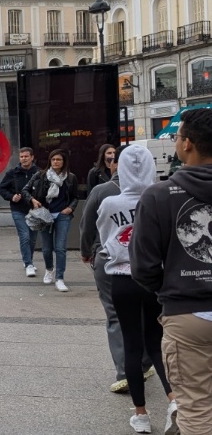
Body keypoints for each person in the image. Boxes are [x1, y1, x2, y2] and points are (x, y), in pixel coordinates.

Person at [132, 107, 212, 435]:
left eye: (179, 136)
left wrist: (170, 291)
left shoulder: (160, 195)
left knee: (197, 405)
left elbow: (143, 266)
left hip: (188, 313)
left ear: (187, 144)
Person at [94, 144, 177, 435]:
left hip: (122, 278)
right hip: (155, 278)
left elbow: (105, 238)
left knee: (131, 344)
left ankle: (141, 415)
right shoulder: (162, 199)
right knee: (157, 343)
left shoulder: (110, 203)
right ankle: (173, 399)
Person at [81, 145, 155, 394]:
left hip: (111, 259)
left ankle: (125, 371)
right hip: (150, 262)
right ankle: (144, 363)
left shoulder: (104, 192)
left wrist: (85, 251)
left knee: (115, 315)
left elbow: (87, 224)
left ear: (117, 165)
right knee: (149, 314)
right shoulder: (157, 193)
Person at [25, 149, 78, 292]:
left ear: (64, 161)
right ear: (50, 160)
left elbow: (75, 197)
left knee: (60, 248)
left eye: (59, 159)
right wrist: (33, 200)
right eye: (53, 159)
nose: (56, 162)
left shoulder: (70, 178)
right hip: (44, 215)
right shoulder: (41, 175)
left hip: (62, 215)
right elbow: (26, 190)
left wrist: (70, 208)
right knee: (47, 248)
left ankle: (60, 278)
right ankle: (49, 269)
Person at [0, 147, 41, 277]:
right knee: (25, 236)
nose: (24, 159)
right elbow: (1, 188)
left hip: (35, 211)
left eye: (26, 156)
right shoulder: (12, 173)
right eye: (21, 157)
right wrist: (11, 197)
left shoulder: (39, 173)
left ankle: (29, 260)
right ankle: (28, 264)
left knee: (33, 239)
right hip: (18, 209)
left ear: (32, 157)